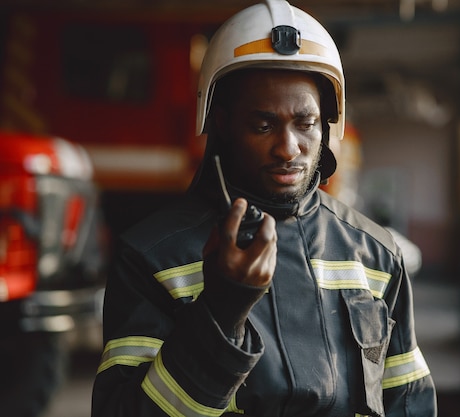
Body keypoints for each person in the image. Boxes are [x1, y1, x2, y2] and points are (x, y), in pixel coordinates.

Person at [91, 1, 437, 416]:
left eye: (305, 124)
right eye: (264, 125)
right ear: (221, 124)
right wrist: (220, 312)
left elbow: (409, 401)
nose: (288, 148)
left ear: (327, 123)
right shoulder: (151, 257)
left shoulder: (376, 254)